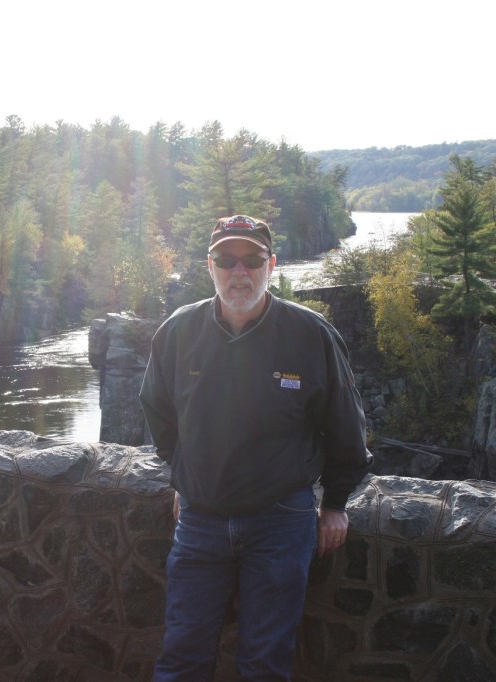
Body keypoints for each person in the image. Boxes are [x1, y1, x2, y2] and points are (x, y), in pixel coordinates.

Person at [139, 215, 372, 681]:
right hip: (201, 522)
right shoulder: (179, 331)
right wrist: (185, 475)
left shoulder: (310, 334)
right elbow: (158, 413)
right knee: (182, 656)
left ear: (272, 265)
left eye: (252, 260)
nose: (239, 271)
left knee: (265, 663)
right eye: (227, 260)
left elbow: (345, 426)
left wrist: (337, 503)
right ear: (210, 266)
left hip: (281, 521)